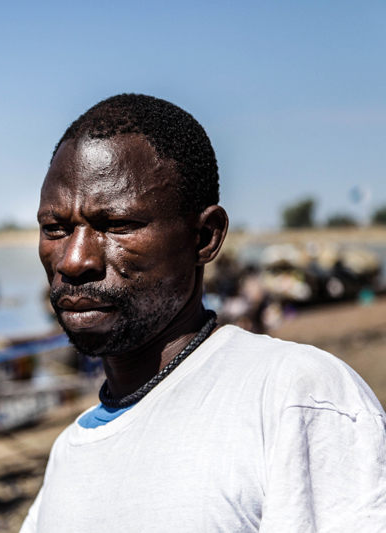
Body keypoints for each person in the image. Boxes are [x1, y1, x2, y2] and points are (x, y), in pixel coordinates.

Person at [20, 94, 386, 532]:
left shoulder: (293, 397)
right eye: (55, 229)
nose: (74, 260)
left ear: (205, 238)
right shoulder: (70, 456)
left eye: (117, 225)